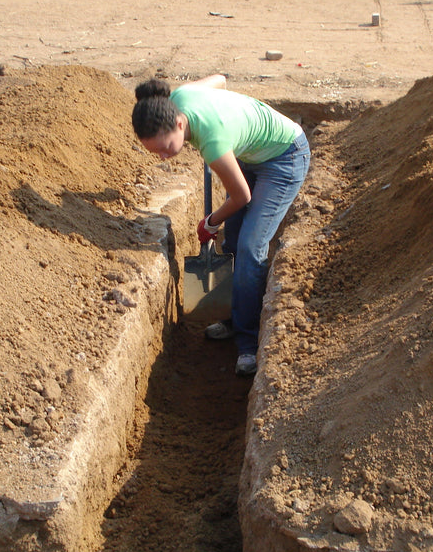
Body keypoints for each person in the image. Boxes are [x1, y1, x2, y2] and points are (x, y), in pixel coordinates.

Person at [132, 75, 310, 376]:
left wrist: (211, 221)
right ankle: (232, 316)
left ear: (178, 125)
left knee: (250, 247)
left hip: (284, 156)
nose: (163, 157)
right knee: (233, 241)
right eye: (155, 153)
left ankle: (248, 344)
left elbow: (242, 196)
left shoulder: (213, 143)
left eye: (165, 148)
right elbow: (221, 80)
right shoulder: (179, 98)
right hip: (248, 154)